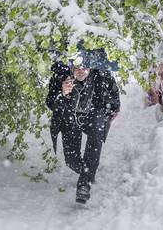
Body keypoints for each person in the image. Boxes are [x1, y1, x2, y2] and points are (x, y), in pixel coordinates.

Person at [46, 50, 120, 204]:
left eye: (85, 67)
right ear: (71, 65)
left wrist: (114, 108)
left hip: (94, 114)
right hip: (70, 118)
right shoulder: (61, 76)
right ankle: (87, 172)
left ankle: (84, 184)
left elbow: (113, 92)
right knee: (71, 160)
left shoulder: (101, 74)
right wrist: (62, 92)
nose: (81, 71)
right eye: (77, 67)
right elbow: (50, 102)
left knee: (95, 139)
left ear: (91, 67)